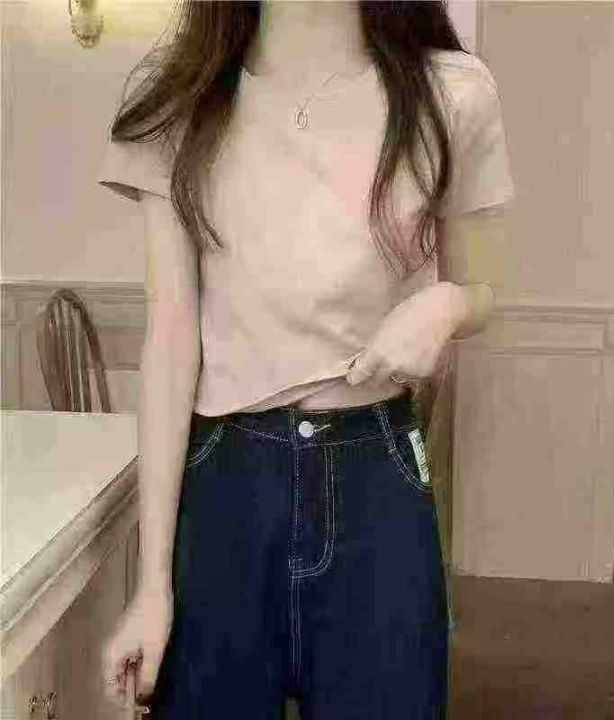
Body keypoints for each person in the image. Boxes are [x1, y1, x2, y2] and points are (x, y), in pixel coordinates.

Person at [96, 1, 515, 718]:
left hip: (377, 475)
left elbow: (484, 288)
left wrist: (447, 305)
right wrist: (152, 586)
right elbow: (170, 339)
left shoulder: (451, 92)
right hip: (223, 479)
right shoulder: (180, 93)